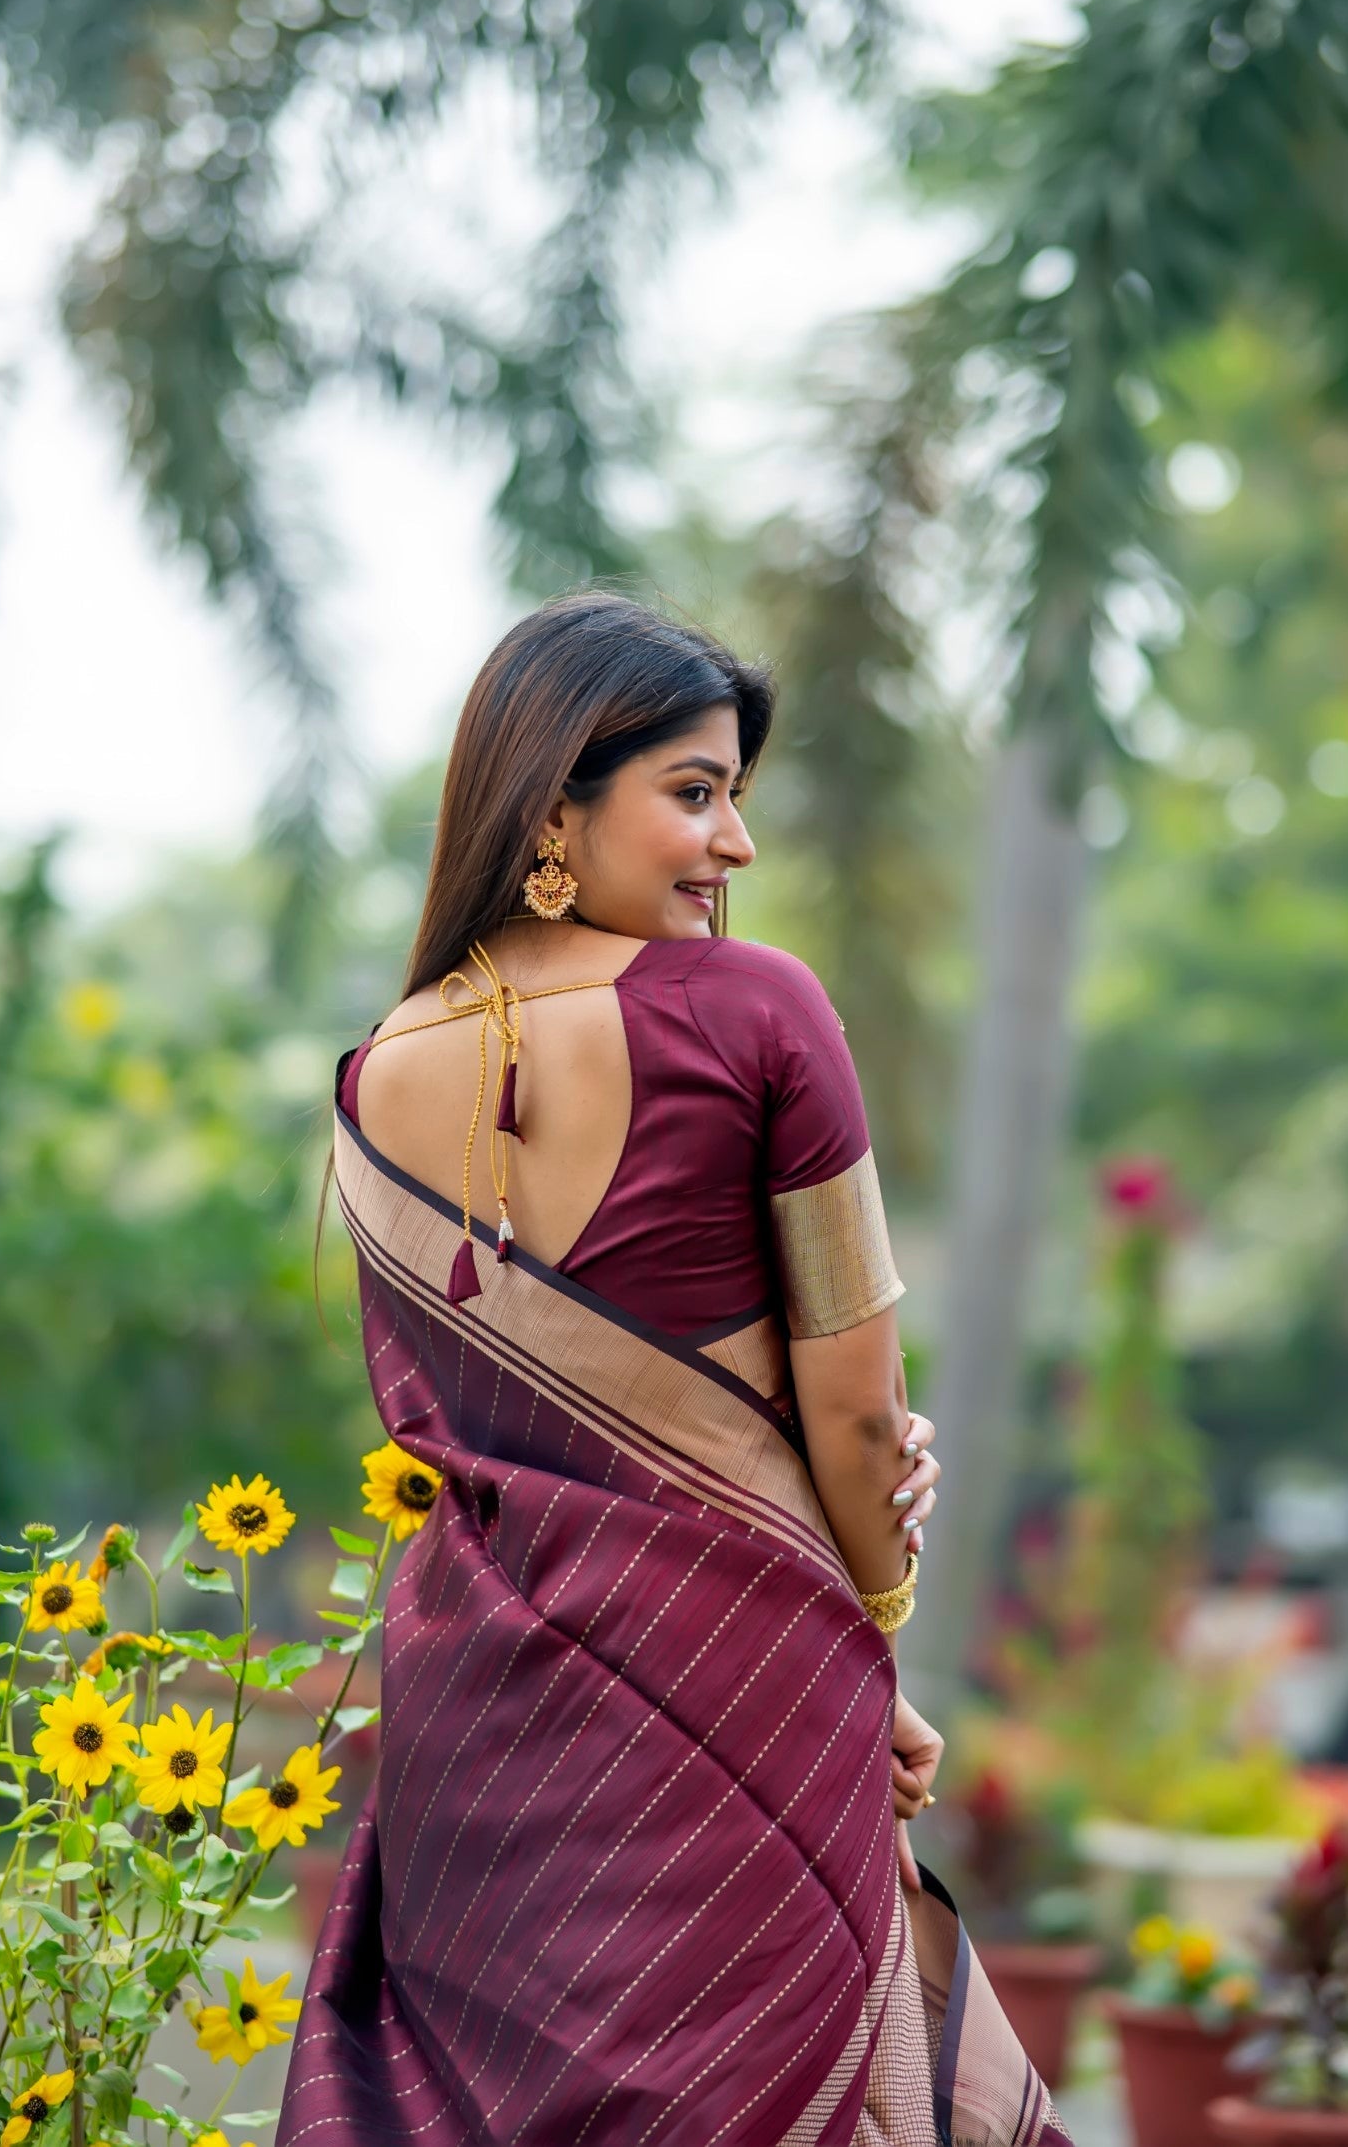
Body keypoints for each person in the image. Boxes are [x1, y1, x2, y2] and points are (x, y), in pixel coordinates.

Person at [282, 592, 1073, 2145]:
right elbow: (856, 1421)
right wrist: (875, 1648)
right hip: (737, 1705)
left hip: (481, 1740)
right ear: (559, 797)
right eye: (696, 793)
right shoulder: (758, 1011)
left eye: (737, 799)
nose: (738, 845)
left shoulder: (378, 1072)